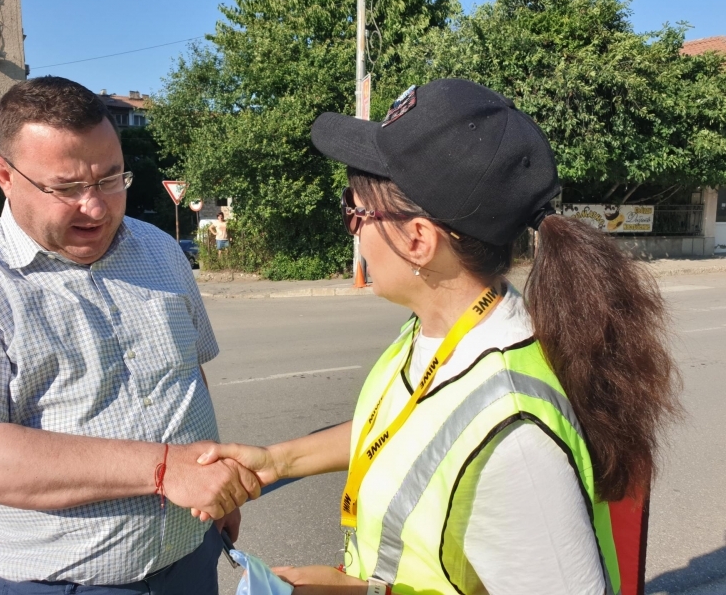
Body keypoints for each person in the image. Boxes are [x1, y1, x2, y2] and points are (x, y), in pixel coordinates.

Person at [197, 79, 680, 594]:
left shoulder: (514, 437)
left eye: (354, 212)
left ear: (418, 240)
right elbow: (409, 434)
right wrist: (276, 462)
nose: (353, 232)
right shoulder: (436, 330)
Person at [0, 77, 260, 595]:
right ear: (4, 175)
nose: (97, 207)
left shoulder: (159, 250)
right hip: (61, 585)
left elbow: (188, 375)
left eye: (110, 179)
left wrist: (214, 484)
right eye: (66, 188)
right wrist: (165, 469)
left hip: (191, 562)